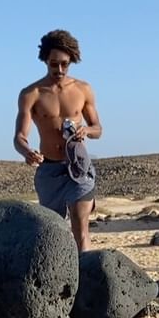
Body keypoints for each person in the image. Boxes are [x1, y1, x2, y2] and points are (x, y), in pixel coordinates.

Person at [14, 29, 102, 252]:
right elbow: (19, 137)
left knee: (80, 227)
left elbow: (98, 129)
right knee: (52, 230)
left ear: (71, 60)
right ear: (46, 60)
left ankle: (84, 278)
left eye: (64, 64)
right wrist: (27, 152)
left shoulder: (83, 90)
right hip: (49, 171)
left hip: (78, 168)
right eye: (54, 64)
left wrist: (86, 131)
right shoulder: (31, 93)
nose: (59, 70)